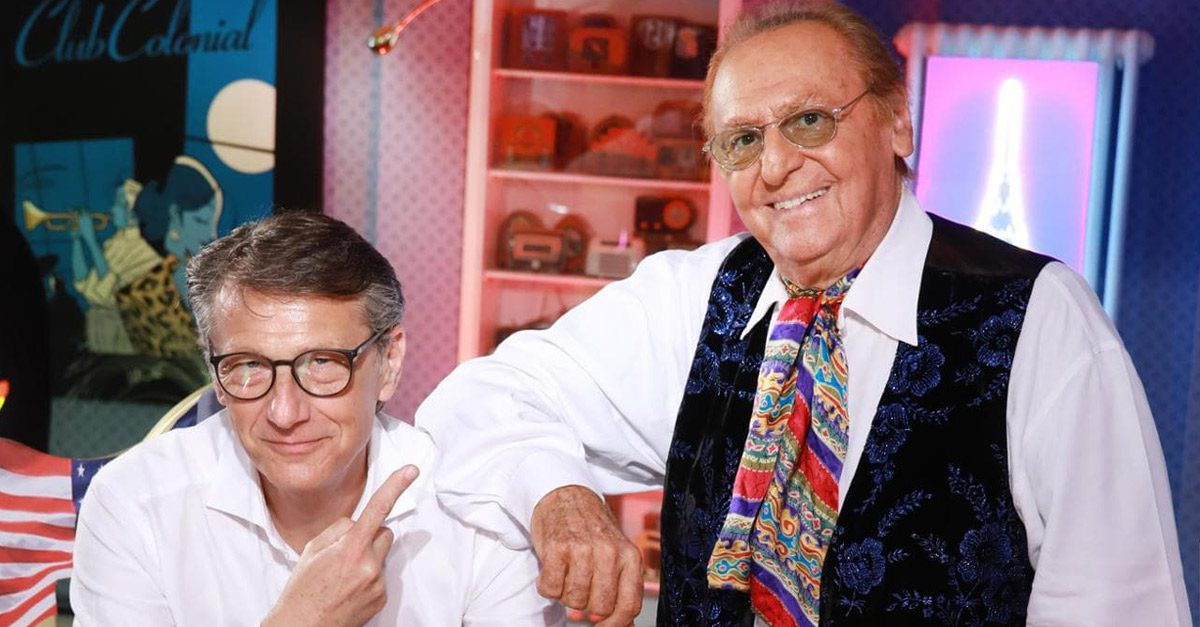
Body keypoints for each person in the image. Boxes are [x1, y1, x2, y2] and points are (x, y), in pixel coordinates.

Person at [416, 2, 1190, 626]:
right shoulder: (694, 295)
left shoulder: (1040, 318)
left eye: (809, 121)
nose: (777, 165)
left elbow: (1117, 606)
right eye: (742, 140)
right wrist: (560, 496)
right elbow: (472, 402)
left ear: (897, 121)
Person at [71, 211, 564, 626]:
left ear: (389, 363)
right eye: (248, 366)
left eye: (323, 363)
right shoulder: (132, 503)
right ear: (215, 375)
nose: (284, 413)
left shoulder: (479, 517)